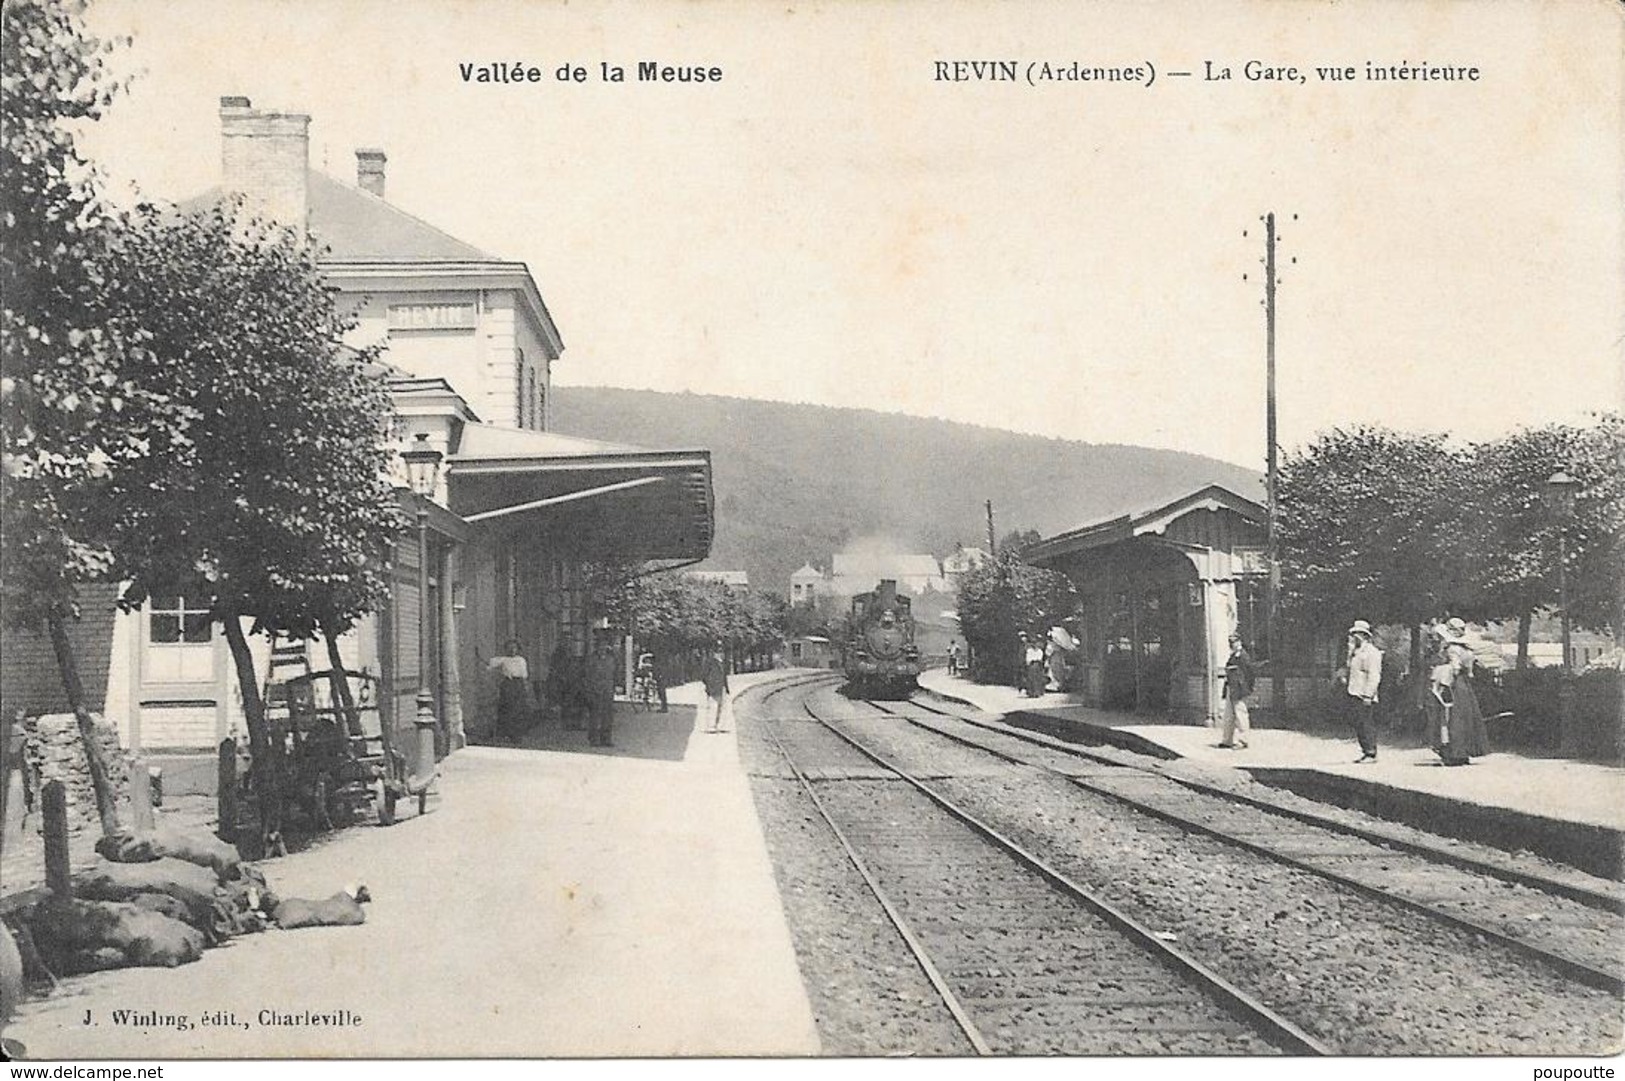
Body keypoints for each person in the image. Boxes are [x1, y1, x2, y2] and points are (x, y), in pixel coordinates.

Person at [1430, 623, 1490, 766]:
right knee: (1466, 718)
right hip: (1465, 685)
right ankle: (1465, 752)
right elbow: (1470, 671)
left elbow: (1455, 668)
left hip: (1454, 683)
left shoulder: (1452, 649)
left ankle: (1453, 753)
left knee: (1451, 717)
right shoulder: (1468, 650)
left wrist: (1440, 671)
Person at [1341, 620, 1383, 763]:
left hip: (1364, 693)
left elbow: (1374, 675)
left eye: (1356, 634)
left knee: (1366, 722)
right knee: (1358, 722)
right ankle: (1365, 750)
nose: (1353, 637)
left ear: (1363, 635)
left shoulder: (1372, 653)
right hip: (1354, 691)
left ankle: (1371, 752)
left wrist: (1368, 694)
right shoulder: (1355, 652)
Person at [486, 639, 530, 743]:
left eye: (514, 647)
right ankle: (506, 733)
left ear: (517, 649)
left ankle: (518, 733)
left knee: (519, 709)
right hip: (508, 685)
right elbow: (490, 665)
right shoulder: (503, 660)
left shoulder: (521, 660)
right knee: (507, 708)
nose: (512, 650)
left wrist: (525, 687)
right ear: (505, 649)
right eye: (509, 648)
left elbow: (524, 675)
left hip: (519, 684)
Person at [1219, 633, 1254, 749]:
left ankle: (1243, 740)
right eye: (1230, 643)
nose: (1232, 645)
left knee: (1240, 715)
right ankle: (1227, 740)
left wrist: (1247, 687)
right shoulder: (1233, 655)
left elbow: (1249, 673)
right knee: (1228, 715)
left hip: (1239, 689)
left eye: (1234, 642)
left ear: (1239, 642)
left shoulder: (1243, 656)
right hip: (1231, 687)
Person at [585, 637, 619, 747]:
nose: (603, 647)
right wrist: (589, 689)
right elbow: (587, 675)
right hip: (595, 690)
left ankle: (606, 739)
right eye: (601, 645)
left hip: (608, 690)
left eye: (605, 645)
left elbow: (615, 673)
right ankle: (594, 739)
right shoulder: (592, 659)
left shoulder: (611, 659)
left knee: (608, 716)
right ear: (597, 647)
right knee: (595, 715)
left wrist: (616, 686)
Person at [700, 644, 730, 733]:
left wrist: (726, 687)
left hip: (722, 688)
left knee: (722, 707)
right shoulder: (710, 662)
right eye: (718, 652)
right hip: (713, 688)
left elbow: (724, 676)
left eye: (721, 652)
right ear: (714, 653)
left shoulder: (722, 663)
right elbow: (704, 676)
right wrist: (709, 685)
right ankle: (710, 726)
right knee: (713, 707)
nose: (720, 654)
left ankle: (720, 726)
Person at [1022, 633, 1047, 697]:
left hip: (1038, 665)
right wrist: (1028, 663)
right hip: (1031, 665)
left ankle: (1037, 692)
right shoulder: (1029, 650)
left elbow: (1040, 658)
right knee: (1031, 679)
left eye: (1035, 643)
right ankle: (1031, 692)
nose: (1034, 645)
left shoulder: (1039, 651)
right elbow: (1028, 658)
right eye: (1033, 643)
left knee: (1038, 679)